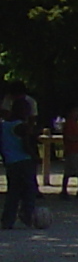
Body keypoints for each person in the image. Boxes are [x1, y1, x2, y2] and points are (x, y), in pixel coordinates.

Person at [1, 93, 39, 230]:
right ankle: (26, 214)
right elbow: (26, 144)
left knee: (13, 192)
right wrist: (34, 156)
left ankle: (8, 219)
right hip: (24, 161)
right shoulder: (21, 126)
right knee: (29, 189)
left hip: (11, 162)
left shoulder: (4, 125)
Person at [58, 107, 78, 197]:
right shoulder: (68, 124)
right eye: (75, 111)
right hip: (72, 151)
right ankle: (64, 191)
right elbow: (68, 137)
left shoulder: (77, 124)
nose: (77, 113)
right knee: (69, 172)